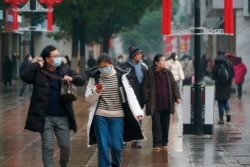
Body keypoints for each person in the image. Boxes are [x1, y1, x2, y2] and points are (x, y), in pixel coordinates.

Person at [21, 45, 85, 167]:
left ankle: (63, 164)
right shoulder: (39, 72)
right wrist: (37, 65)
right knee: (47, 147)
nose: (58, 58)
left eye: (59, 56)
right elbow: (24, 76)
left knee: (65, 146)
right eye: (55, 56)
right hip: (45, 117)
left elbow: (82, 79)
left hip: (63, 116)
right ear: (47, 59)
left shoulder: (64, 69)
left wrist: (72, 78)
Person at [85, 53, 144, 167]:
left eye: (105, 66)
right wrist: (96, 92)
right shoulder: (95, 77)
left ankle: (116, 164)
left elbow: (130, 95)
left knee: (117, 146)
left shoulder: (120, 76)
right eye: (100, 67)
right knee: (103, 146)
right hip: (100, 116)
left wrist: (138, 112)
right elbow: (88, 98)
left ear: (111, 64)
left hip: (117, 116)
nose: (103, 69)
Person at [143, 54, 181, 151]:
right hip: (154, 103)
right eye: (162, 61)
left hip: (166, 103)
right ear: (156, 63)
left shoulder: (168, 72)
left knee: (165, 123)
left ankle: (164, 142)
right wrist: (147, 98)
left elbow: (174, 85)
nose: (164, 62)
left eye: (164, 60)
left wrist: (177, 97)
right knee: (156, 124)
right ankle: (156, 143)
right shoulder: (149, 72)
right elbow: (145, 87)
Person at [120, 46, 147, 149]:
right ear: (133, 55)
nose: (141, 55)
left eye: (141, 54)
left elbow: (146, 83)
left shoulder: (143, 68)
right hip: (127, 98)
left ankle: (136, 139)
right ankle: (124, 138)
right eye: (139, 54)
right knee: (126, 118)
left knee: (138, 117)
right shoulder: (123, 67)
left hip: (139, 98)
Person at [212, 50, 234, 125]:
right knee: (225, 100)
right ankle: (227, 111)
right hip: (227, 85)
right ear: (224, 54)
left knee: (220, 102)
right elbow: (233, 74)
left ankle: (221, 119)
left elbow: (213, 75)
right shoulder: (229, 63)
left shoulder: (216, 63)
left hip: (219, 85)